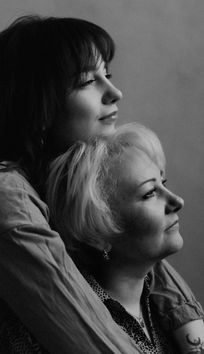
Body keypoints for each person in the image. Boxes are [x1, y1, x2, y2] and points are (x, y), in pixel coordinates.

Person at [0, 15, 203, 353]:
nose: (114, 92)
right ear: (36, 101)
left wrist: (190, 327)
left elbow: (146, 261)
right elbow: (82, 330)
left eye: (106, 76)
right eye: (85, 82)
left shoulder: (49, 174)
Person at [45, 122, 185, 353]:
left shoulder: (173, 312)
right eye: (150, 193)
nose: (177, 201)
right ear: (98, 229)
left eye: (164, 183)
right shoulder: (48, 332)